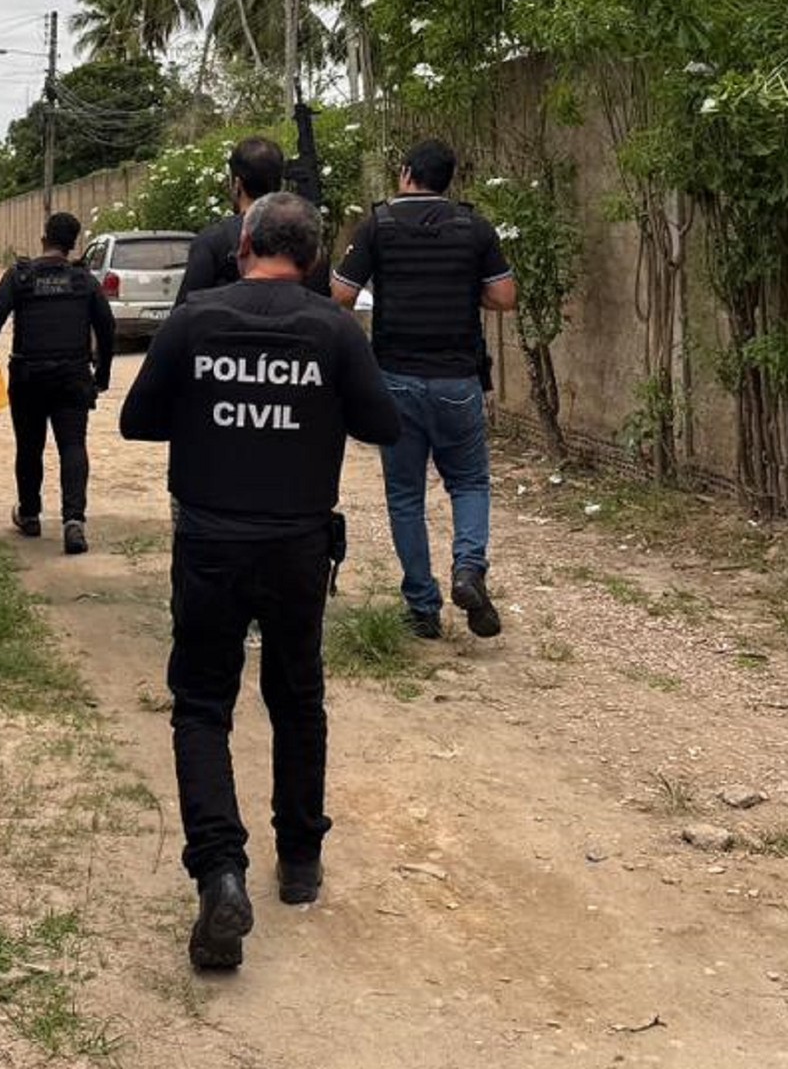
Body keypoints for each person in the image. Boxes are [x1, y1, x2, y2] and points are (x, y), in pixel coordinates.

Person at [120, 192, 400, 970]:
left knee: (202, 706)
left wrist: (211, 408)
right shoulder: (333, 330)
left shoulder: (195, 319)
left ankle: (220, 871)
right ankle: (300, 860)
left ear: (243, 244)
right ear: (311, 258)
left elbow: (138, 419)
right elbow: (383, 424)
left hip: (209, 540)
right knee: (297, 697)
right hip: (297, 545)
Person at [332, 139, 517, 640]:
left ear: (407, 172)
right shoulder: (474, 227)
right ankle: (468, 568)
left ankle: (422, 606)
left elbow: (342, 295)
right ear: (448, 180)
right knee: (469, 482)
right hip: (458, 379)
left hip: (395, 379)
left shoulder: (378, 225)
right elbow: (504, 295)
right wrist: (464, 289)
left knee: (405, 495)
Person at [0, 212, 115, 555]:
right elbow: (107, 327)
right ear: (73, 244)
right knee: (73, 445)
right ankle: (74, 521)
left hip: (28, 376)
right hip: (73, 376)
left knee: (29, 446)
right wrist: (102, 376)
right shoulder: (84, 280)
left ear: (44, 238)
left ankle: (29, 514)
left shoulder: (20, 276)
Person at [173, 136, 330, 305]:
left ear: (237, 184)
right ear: (281, 185)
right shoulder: (307, 239)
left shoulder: (211, 241)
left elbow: (184, 310)